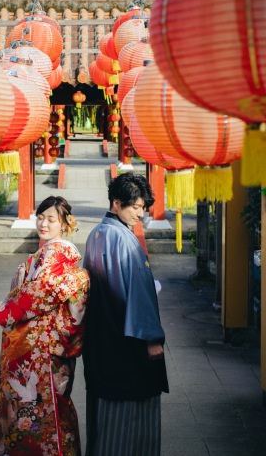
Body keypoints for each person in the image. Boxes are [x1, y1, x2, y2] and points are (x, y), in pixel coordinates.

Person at [0, 196, 89, 456]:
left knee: (42, 406)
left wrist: (9, 307)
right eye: (40, 217)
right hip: (37, 346)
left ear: (64, 224)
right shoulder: (45, 254)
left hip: (43, 349)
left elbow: (36, 294)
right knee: (33, 405)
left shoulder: (57, 255)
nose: (43, 223)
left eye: (51, 219)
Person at [82, 172, 169, 456]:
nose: (140, 214)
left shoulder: (95, 235)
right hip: (127, 338)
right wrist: (152, 338)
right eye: (136, 207)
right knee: (134, 413)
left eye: (143, 208)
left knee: (104, 411)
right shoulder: (125, 240)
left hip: (102, 334)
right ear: (117, 203)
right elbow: (139, 291)